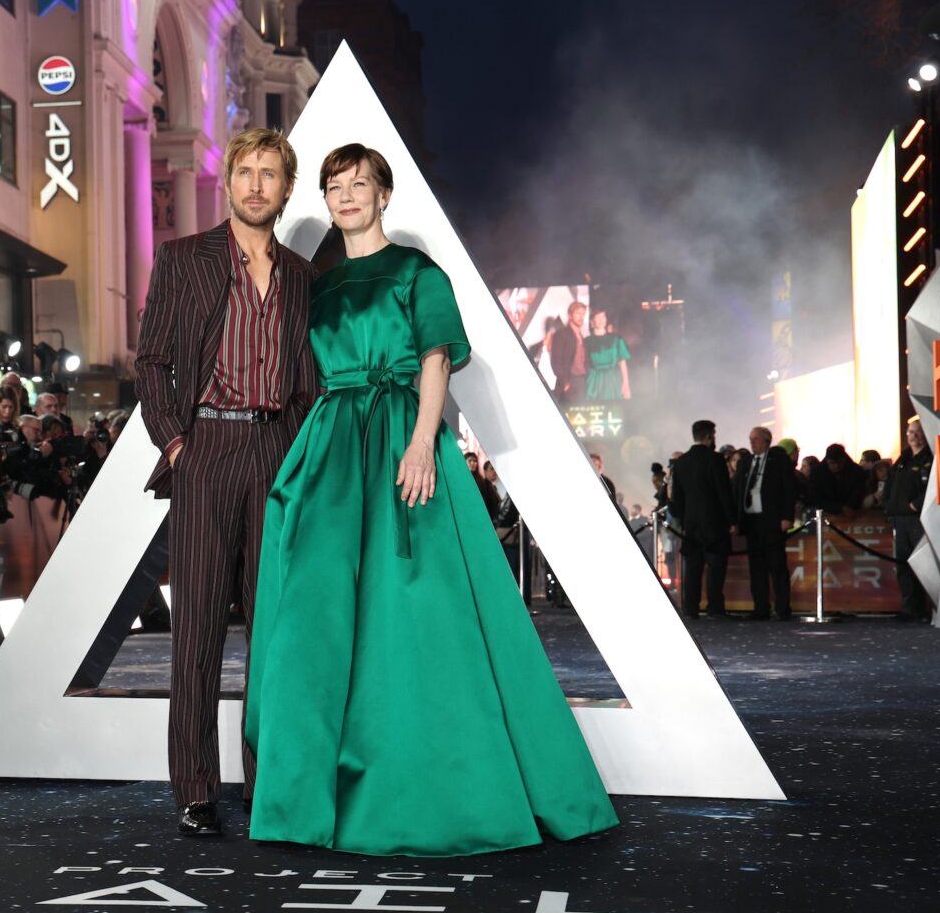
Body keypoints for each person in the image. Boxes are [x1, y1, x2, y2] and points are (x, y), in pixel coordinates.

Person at [244, 142, 616, 857]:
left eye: (360, 184)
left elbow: (438, 358)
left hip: (397, 438)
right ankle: (315, 794)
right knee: (320, 616)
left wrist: (420, 441)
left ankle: (431, 788)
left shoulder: (418, 273)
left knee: (416, 609)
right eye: (335, 187)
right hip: (330, 447)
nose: (347, 196)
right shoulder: (318, 287)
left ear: (385, 195)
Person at [134, 128, 321, 838]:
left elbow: (309, 379)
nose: (255, 184)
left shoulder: (303, 276)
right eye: (245, 171)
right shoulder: (184, 259)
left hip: (276, 446)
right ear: (231, 180)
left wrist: (300, 454)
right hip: (205, 445)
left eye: (270, 174)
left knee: (274, 630)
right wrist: (177, 443)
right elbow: (152, 362)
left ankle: (267, 777)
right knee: (200, 630)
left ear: (284, 188)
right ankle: (196, 787)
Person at [670, 419, 737, 619]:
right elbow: (723, 492)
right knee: (715, 567)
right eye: (714, 435)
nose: (715, 439)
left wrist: (684, 521)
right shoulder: (715, 460)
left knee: (693, 568)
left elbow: (677, 498)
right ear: (709, 436)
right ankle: (715, 607)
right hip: (714, 524)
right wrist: (732, 520)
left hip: (691, 525)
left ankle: (691, 608)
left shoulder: (681, 462)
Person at [734, 426, 798, 620]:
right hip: (751, 520)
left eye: (756, 439)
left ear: (767, 441)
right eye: (750, 439)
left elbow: (789, 489)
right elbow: (736, 490)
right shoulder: (745, 462)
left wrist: (787, 516)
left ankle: (783, 608)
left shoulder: (779, 461)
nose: (752, 443)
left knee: (777, 565)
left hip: (772, 520)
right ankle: (760, 608)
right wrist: (735, 520)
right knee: (756, 567)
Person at [884, 418, 935, 621]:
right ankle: (910, 608)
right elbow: (890, 484)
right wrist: (889, 506)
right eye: (910, 432)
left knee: (922, 564)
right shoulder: (903, 459)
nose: (913, 436)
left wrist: (917, 504)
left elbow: (934, 485)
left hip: (917, 519)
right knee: (903, 565)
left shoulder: (929, 457)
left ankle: (928, 609)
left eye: (918, 432)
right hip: (899, 518)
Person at [584, 308, 630, 400]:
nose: (601, 320)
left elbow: (622, 362)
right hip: (594, 380)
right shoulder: (586, 342)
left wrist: (626, 384)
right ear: (592, 321)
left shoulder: (616, 339)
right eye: (598, 317)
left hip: (612, 379)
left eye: (603, 317)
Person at [546, 301, 586, 402]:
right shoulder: (561, 334)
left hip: (582, 380)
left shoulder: (581, 336)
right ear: (570, 315)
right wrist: (565, 384)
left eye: (583, 314)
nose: (581, 317)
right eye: (578, 313)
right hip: (569, 380)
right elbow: (556, 362)